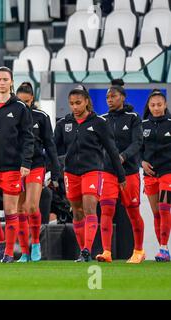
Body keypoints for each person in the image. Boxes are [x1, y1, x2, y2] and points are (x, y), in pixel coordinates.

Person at [54, 85, 126, 262]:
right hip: (70, 173)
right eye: (71, 103)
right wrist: (54, 172)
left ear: (87, 101)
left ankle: (87, 249)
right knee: (77, 213)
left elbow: (111, 150)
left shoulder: (99, 123)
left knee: (89, 208)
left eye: (78, 103)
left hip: (93, 171)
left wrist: (121, 176)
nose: (75, 107)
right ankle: (83, 252)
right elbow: (54, 150)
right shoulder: (64, 124)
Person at [0, 67, 34, 263]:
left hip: (12, 166)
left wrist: (26, 162)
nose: (2, 82)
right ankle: (1, 240)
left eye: (5, 79)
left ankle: (9, 253)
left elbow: (28, 137)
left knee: (11, 210)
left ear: (11, 82)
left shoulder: (20, 107)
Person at [97, 85, 145, 263]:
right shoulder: (102, 120)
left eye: (113, 96)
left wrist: (123, 156)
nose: (109, 99)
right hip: (108, 172)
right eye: (107, 97)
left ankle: (139, 251)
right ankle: (106, 252)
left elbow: (138, 142)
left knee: (133, 212)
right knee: (106, 210)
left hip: (130, 172)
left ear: (122, 97)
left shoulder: (133, 118)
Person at [15, 82, 60, 262]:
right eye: (20, 101)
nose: (23, 105)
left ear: (32, 99)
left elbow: (50, 144)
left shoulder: (41, 117)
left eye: (26, 101)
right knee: (18, 209)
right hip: (15, 166)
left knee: (31, 206)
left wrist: (55, 170)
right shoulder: (11, 116)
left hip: (35, 165)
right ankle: (24, 251)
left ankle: (35, 244)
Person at [141, 89, 171, 262]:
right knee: (156, 212)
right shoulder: (143, 124)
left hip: (168, 172)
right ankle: (163, 249)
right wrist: (142, 162)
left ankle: (164, 248)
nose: (156, 108)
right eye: (153, 105)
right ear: (149, 106)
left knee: (165, 208)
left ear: (165, 105)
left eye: (159, 105)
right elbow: (138, 148)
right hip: (149, 174)